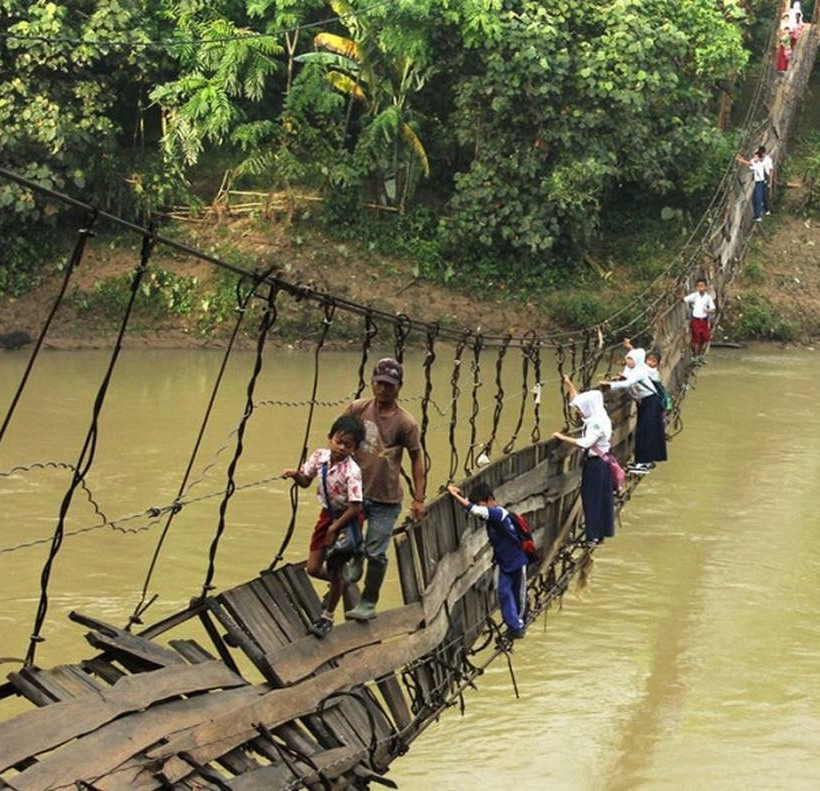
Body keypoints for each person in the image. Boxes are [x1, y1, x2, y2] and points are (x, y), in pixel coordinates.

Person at [343, 358, 426, 621]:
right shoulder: (357, 409)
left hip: (386, 499)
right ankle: (355, 556)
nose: (384, 389)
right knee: (351, 542)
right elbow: (338, 437)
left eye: (390, 385)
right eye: (379, 383)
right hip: (354, 493)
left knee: (376, 553)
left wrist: (419, 499)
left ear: (399, 387)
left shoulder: (406, 423)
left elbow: (416, 458)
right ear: (372, 382)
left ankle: (368, 602)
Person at [283, 414, 366, 638]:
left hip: (347, 519)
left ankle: (327, 616)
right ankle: (342, 583)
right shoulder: (319, 457)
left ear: (355, 449)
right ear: (330, 438)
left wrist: (334, 529)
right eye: (338, 441)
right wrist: (295, 476)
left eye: (348, 445)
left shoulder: (353, 471)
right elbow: (306, 481)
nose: (341, 448)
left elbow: (356, 507)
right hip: (327, 515)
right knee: (313, 567)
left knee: (335, 566)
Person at [446, 482, 528, 639]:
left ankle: (519, 625)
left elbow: (475, 510)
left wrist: (455, 495)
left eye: (483, 505)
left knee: (519, 595)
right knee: (504, 593)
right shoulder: (491, 514)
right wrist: (460, 494)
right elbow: (473, 506)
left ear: (491, 500)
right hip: (505, 564)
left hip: (517, 561)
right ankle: (514, 625)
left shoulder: (498, 513)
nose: (482, 509)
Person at [551, 377, 615, 546]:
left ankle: (592, 536)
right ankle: (600, 533)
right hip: (604, 461)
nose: (578, 412)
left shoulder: (595, 423)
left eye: (580, 409)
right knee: (602, 498)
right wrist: (569, 384)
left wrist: (562, 437)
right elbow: (578, 399)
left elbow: (585, 443)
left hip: (596, 465)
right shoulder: (600, 414)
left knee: (591, 498)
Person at [600, 348, 667, 475]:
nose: (628, 361)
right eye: (627, 358)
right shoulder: (635, 370)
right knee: (644, 431)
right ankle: (641, 461)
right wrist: (621, 377)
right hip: (646, 402)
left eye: (631, 359)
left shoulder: (640, 371)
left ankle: (644, 463)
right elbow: (629, 380)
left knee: (646, 432)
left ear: (637, 360)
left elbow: (629, 383)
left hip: (651, 402)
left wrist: (610, 384)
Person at [683, 277, 716, 361]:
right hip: (695, 320)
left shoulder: (708, 298)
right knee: (696, 338)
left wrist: (707, 310)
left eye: (702, 286)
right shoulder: (694, 296)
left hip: (704, 320)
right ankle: (695, 355)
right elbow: (684, 300)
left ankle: (699, 355)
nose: (700, 288)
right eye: (698, 286)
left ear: (706, 287)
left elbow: (713, 309)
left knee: (704, 338)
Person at [736, 149, 767, 221]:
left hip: (760, 183)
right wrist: (740, 158)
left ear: (759, 158)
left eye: (756, 157)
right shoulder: (755, 161)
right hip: (757, 183)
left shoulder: (759, 165)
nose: (754, 158)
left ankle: (759, 215)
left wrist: (739, 160)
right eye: (754, 157)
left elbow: (748, 163)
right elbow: (750, 162)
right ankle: (757, 214)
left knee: (758, 199)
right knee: (754, 199)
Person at [759, 145, 773, 215]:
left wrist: (770, 181)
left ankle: (767, 209)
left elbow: (770, 171)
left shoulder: (768, 160)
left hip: (766, 177)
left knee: (765, 195)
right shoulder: (759, 158)